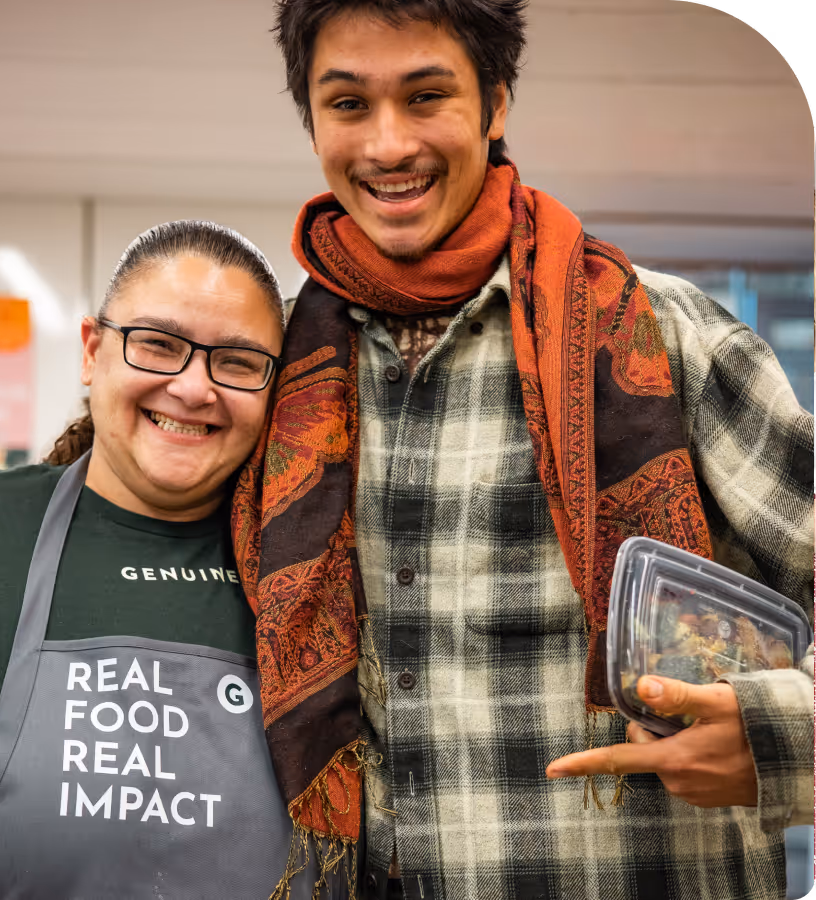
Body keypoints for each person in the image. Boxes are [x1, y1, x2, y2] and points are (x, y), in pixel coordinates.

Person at [230, 3, 815, 899]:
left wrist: (783, 732)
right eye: (347, 105)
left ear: (496, 102)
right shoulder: (275, 379)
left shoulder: (667, 335)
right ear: (312, 121)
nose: (388, 145)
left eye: (427, 95)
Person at [0, 220, 338, 899]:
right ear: (92, 350)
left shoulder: (316, 581)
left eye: (239, 362)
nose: (194, 388)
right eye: (158, 345)